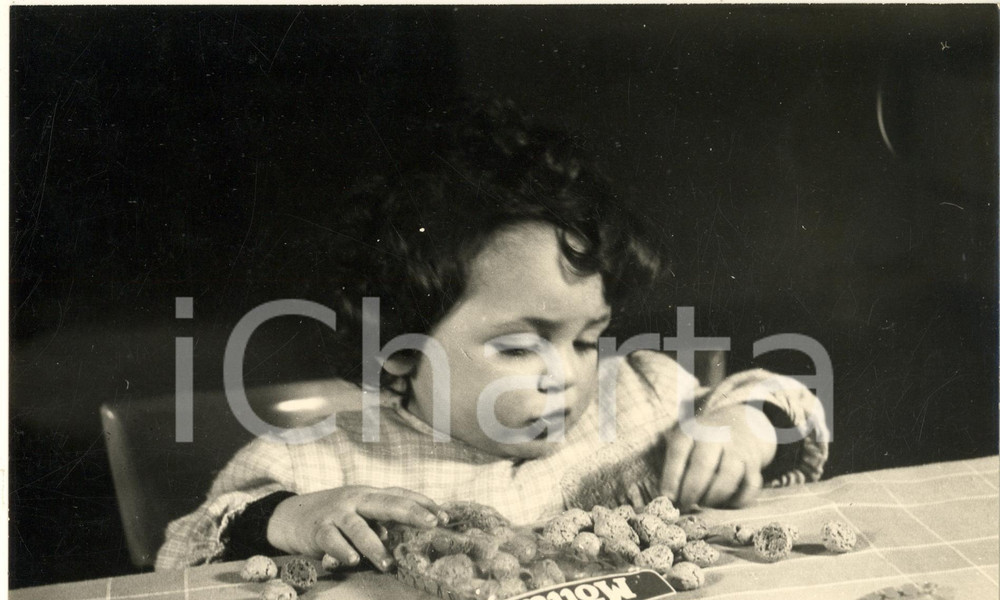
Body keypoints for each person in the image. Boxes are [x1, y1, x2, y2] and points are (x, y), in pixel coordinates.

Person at [155, 97, 828, 571]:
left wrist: (746, 429)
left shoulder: (643, 399)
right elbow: (192, 545)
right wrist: (294, 519)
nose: (564, 373)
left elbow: (786, 408)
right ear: (397, 348)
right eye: (518, 345)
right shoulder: (332, 462)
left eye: (587, 339)